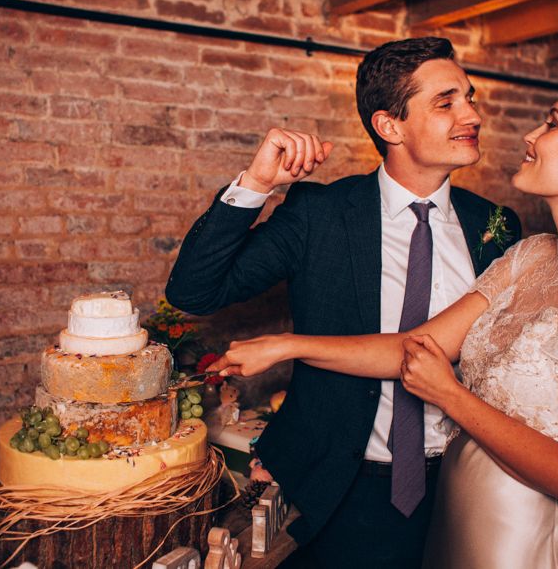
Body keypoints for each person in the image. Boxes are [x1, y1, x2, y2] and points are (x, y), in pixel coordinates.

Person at [210, 78, 558, 568]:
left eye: (551, 123)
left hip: (521, 532)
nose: (529, 135)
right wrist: (287, 345)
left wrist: (449, 394)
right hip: (452, 512)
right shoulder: (529, 255)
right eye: (446, 101)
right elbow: (414, 345)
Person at [166, 37, 521, 568]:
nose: (472, 114)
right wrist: (259, 182)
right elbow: (193, 292)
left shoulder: (494, 226)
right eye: (446, 102)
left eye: (469, 97)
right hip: (344, 486)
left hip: (468, 482)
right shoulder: (320, 214)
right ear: (390, 126)